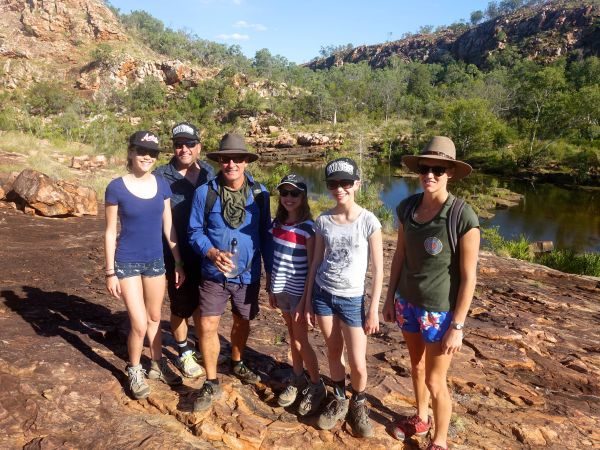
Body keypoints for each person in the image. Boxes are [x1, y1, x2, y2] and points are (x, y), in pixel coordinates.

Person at [382, 136, 480, 450]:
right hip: (407, 303)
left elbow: (468, 277)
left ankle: (440, 440)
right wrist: (389, 298)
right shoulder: (407, 207)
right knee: (417, 366)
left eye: (438, 169)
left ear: (450, 172)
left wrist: (458, 326)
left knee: (436, 381)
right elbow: (400, 255)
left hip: (439, 312)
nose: (430, 175)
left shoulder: (462, 216)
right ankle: (421, 418)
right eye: (425, 168)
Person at [188, 132, 272, 412]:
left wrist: (272, 276)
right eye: (226, 159)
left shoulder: (260, 195)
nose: (231, 164)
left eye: (237, 159)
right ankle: (211, 381)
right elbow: (194, 231)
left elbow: (265, 235)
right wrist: (211, 253)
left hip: (248, 276)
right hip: (213, 275)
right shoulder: (205, 192)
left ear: (247, 161)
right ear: (220, 162)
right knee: (209, 325)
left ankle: (236, 361)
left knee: (242, 321)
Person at [304, 157, 383, 438]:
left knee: (358, 362)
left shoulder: (369, 221)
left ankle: (359, 402)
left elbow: (378, 269)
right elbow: (315, 262)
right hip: (324, 295)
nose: (340, 189)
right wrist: (310, 300)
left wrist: (373, 309)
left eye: (345, 183)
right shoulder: (324, 220)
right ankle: (339, 397)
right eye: (333, 183)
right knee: (333, 351)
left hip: (352, 300)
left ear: (356, 184)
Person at [104, 130, 184, 400]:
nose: (147, 157)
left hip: (155, 262)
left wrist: (179, 262)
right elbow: (109, 231)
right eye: (141, 151)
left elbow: (169, 226)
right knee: (138, 324)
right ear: (131, 152)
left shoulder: (162, 185)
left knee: (153, 318)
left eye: (152, 153)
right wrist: (110, 271)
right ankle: (135, 368)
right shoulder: (116, 187)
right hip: (126, 262)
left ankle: (157, 364)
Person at [153, 122, 214, 378]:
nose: (184, 149)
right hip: (175, 252)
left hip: (205, 252)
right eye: (179, 145)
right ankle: (183, 352)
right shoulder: (161, 176)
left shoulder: (209, 173)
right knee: (180, 305)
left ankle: (200, 346)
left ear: (198, 146)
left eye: (189, 144)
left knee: (203, 303)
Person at [267, 174, 326, 415]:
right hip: (281, 290)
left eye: (294, 193)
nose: (288, 198)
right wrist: (271, 288)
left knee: (301, 340)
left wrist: (306, 299)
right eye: (285, 193)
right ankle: (298, 376)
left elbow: (313, 265)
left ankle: (316, 384)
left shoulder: (308, 229)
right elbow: (274, 260)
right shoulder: (277, 225)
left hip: (299, 292)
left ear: (303, 197)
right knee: (292, 336)